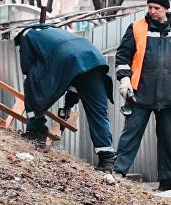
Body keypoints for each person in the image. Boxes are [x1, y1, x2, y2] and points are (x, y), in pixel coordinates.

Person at [113, 0, 171, 190]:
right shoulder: (136, 28)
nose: (152, 11)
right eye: (150, 7)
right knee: (130, 135)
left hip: (169, 94)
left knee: (166, 138)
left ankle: (168, 179)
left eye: (156, 8)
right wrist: (125, 80)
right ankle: (118, 173)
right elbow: (123, 56)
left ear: (166, 9)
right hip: (140, 93)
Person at [13, 23, 116, 171]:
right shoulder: (58, 31)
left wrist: (42, 88)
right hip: (94, 59)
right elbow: (77, 78)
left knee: (30, 84)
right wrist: (68, 105)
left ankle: (36, 130)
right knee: (98, 113)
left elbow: (27, 67)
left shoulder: (26, 34)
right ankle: (107, 159)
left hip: (68, 60)